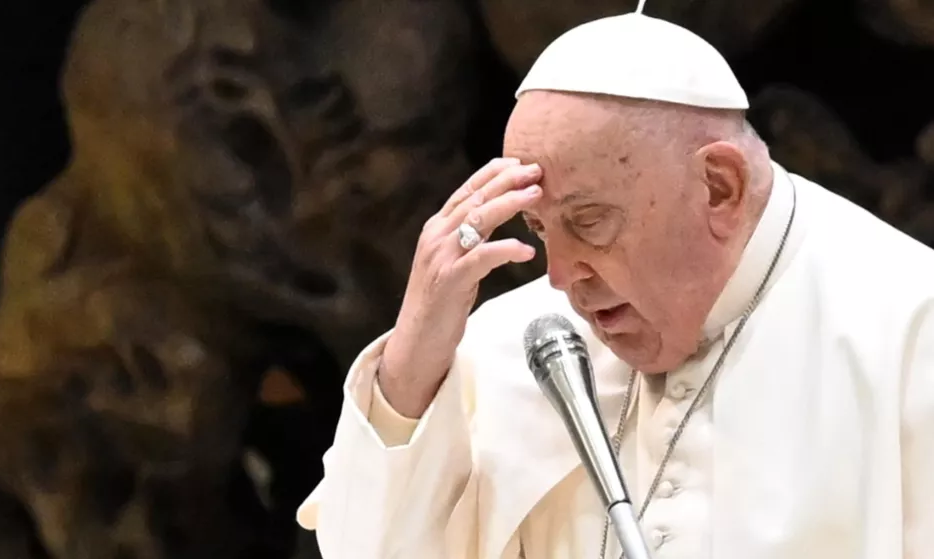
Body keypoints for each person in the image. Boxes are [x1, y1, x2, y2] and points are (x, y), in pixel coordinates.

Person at [295, 12, 934, 559]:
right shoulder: (514, 343)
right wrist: (410, 365)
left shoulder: (909, 326)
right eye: (542, 229)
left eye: (590, 222)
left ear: (720, 187)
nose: (561, 278)